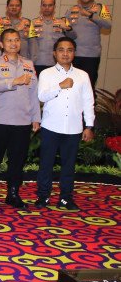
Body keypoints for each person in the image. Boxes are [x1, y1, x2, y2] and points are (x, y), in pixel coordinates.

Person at [0, 28, 40, 209]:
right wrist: (14, 81)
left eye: (16, 40)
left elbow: (34, 93)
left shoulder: (28, 64)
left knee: (17, 161)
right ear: (1, 44)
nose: (13, 43)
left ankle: (13, 193)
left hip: (22, 121)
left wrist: (36, 117)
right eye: (9, 40)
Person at [35, 37, 94, 210]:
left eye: (69, 50)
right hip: (50, 127)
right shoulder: (46, 74)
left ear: (74, 53)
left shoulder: (83, 75)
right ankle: (43, 196)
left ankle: (66, 198)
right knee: (46, 164)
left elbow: (88, 102)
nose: (65, 53)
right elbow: (41, 96)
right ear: (54, 53)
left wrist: (89, 126)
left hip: (73, 128)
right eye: (61, 50)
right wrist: (60, 86)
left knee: (69, 166)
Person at [63, 0, 113, 88]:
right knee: (72, 86)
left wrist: (91, 15)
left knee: (88, 86)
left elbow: (108, 25)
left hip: (91, 55)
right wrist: (67, 30)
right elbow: (67, 32)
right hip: (73, 54)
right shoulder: (72, 10)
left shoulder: (100, 8)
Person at [28, 0, 76, 76]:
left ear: (54, 7)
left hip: (56, 63)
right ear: (41, 7)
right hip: (37, 62)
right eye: (44, 5)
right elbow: (29, 44)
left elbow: (73, 37)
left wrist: (67, 28)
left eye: (50, 5)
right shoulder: (33, 23)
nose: (47, 8)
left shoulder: (62, 22)